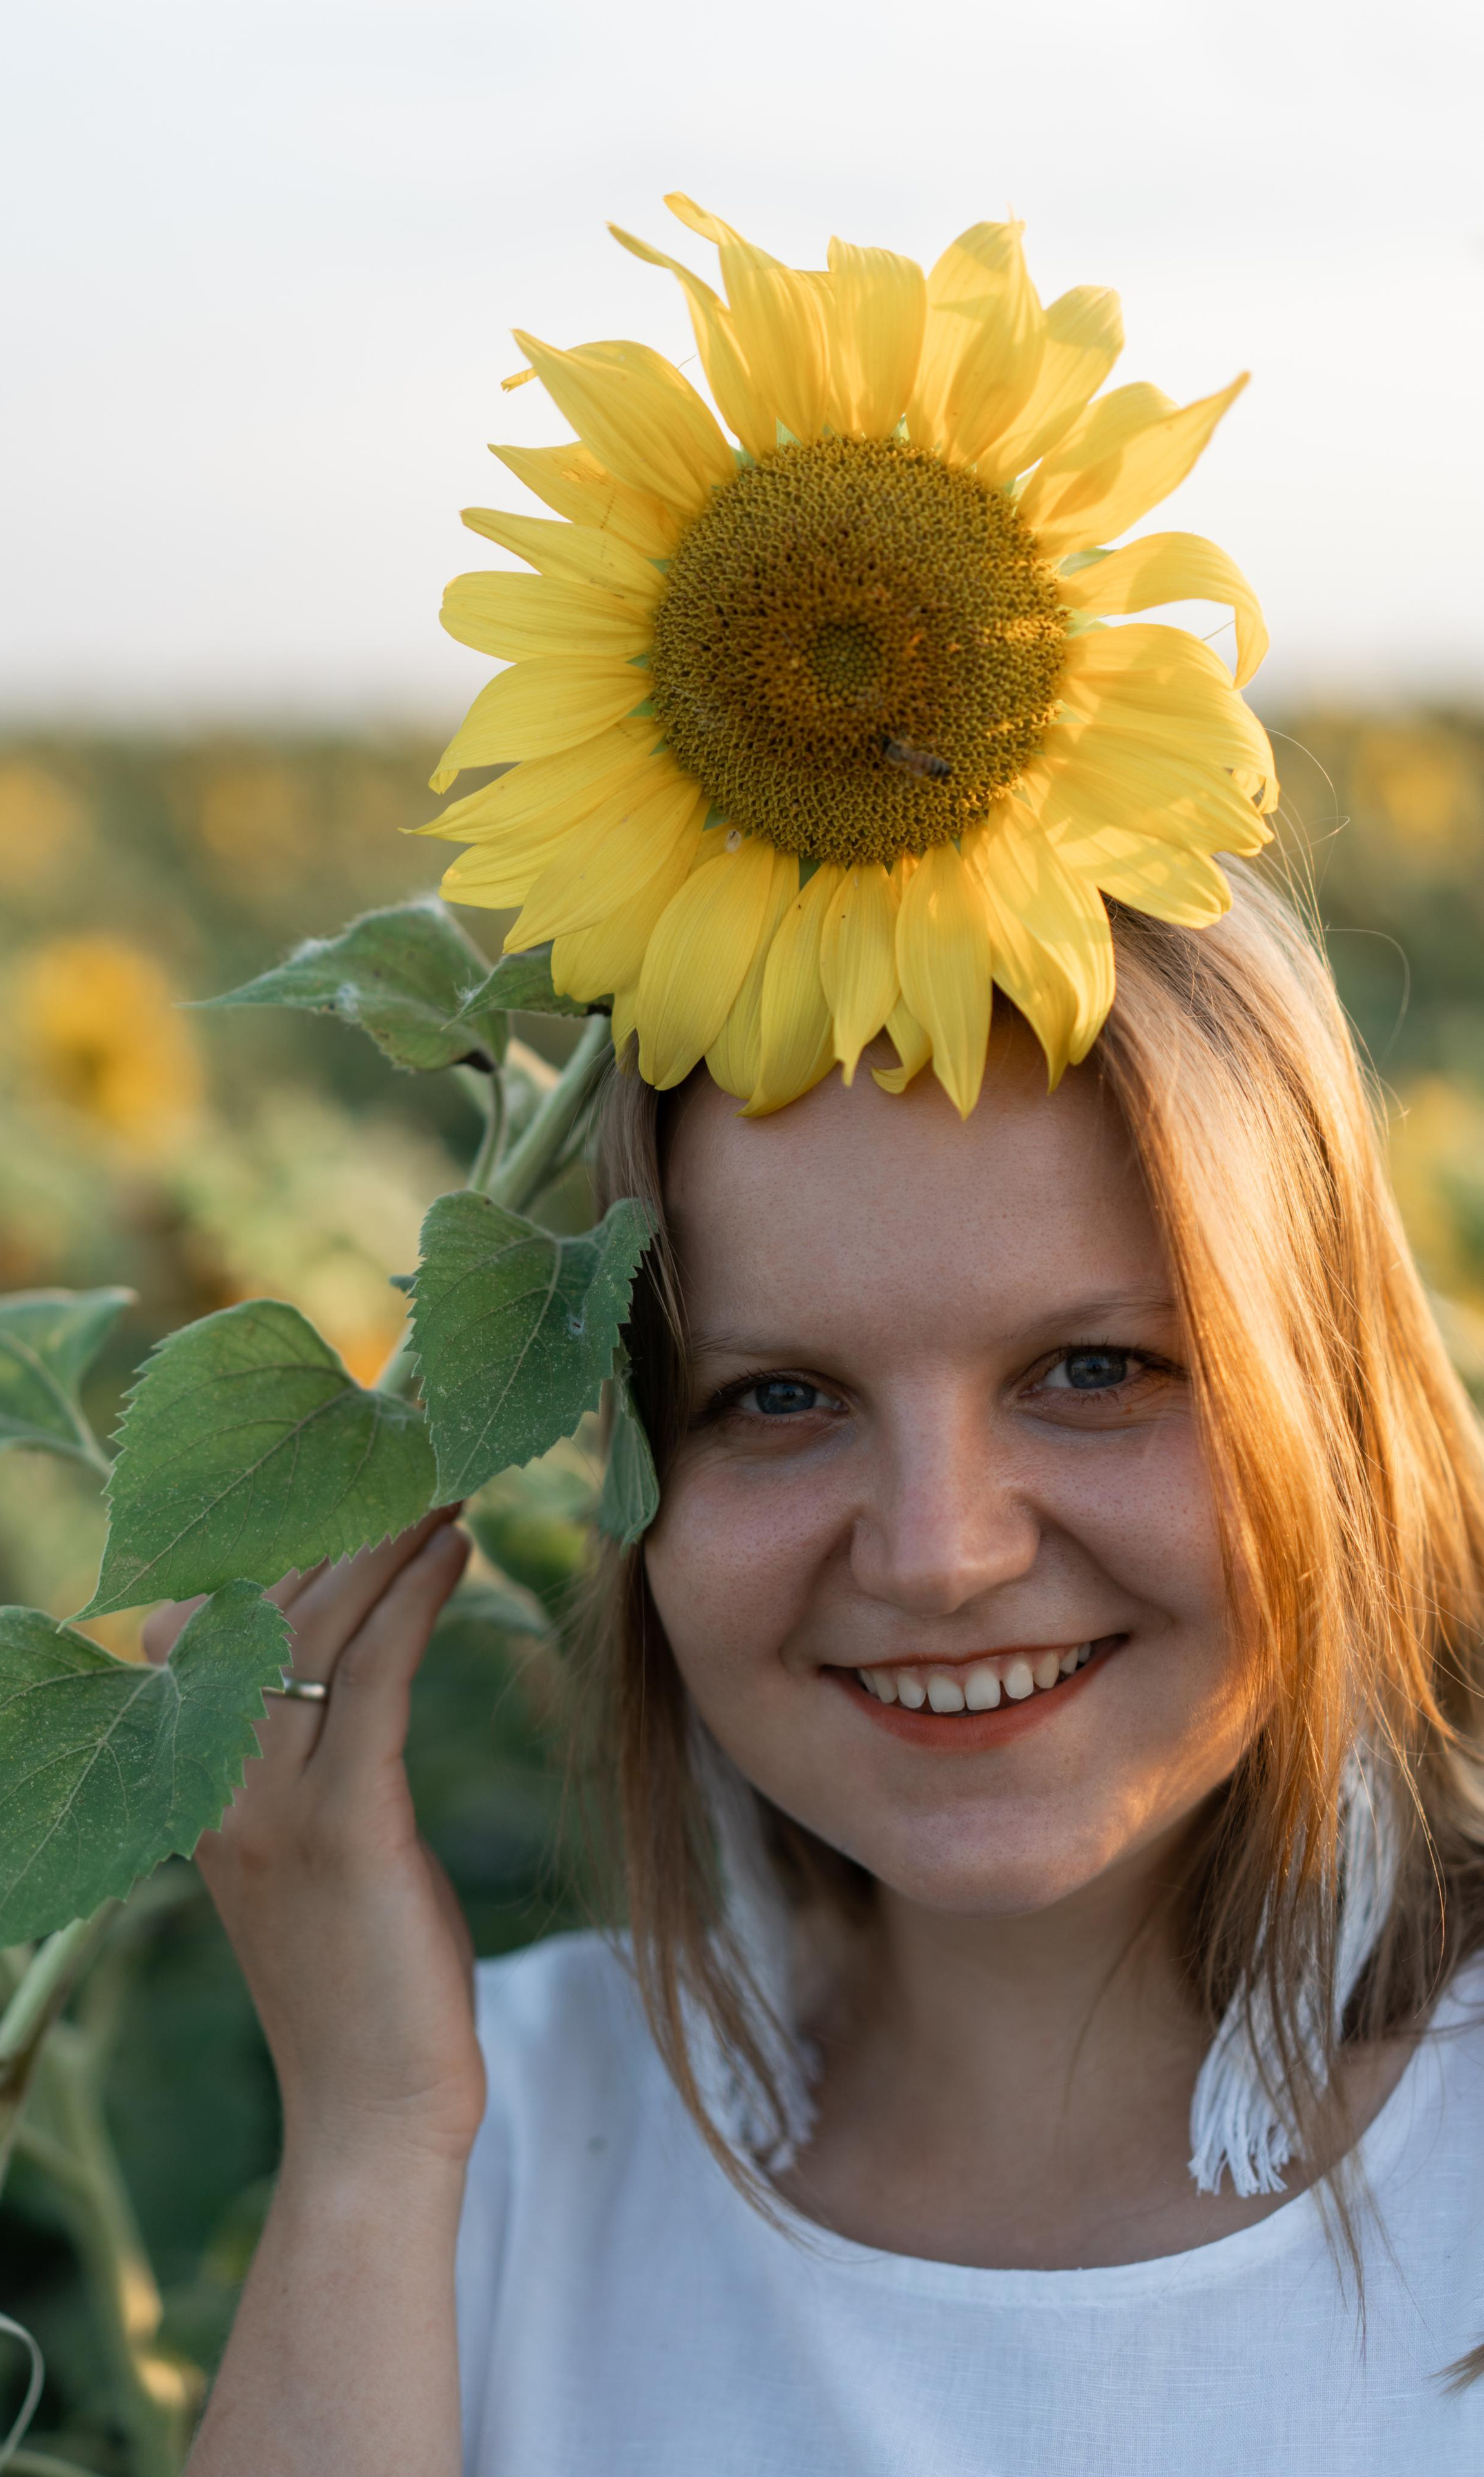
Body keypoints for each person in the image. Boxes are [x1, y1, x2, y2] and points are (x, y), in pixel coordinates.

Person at [172, 206, 1484, 2472]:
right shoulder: (489, 2135)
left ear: (1336, 1394)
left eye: (1096, 1369)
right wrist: (373, 2132)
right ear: (618, 1477)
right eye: (775, 1398)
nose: (948, 1547)